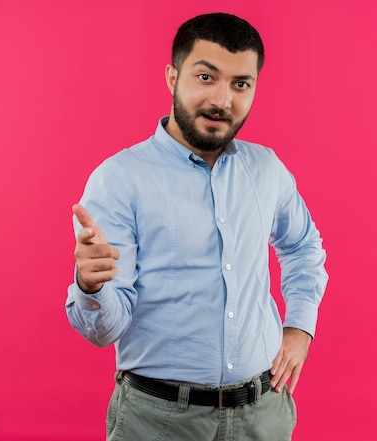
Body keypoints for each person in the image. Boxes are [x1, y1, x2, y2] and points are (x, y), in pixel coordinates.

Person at [66, 12, 328, 441]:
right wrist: (91, 287)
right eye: (206, 77)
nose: (222, 100)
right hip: (158, 421)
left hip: (263, 415)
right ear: (172, 77)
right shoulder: (120, 180)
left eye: (240, 84)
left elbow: (303, 247)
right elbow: (105, 331)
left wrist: (300, 325)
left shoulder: (267, 170)